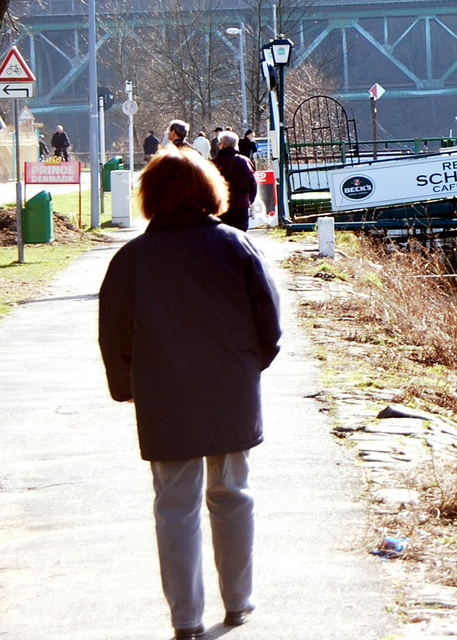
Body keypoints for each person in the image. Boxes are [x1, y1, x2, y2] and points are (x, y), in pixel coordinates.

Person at [97, 146, 281, 639]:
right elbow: (270, 321)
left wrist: (127, 388)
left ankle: (186, 620)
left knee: (174, 505)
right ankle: (238, 602)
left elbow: (113, 332)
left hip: (163, 392)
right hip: (230, 388)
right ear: (209, 190)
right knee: (233, 493)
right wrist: (249, 367)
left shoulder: (131, 259)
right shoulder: (235, 246)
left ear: (151, 197)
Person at [211, 130, 258, 231]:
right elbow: (253, 185)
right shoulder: (245, 162)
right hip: (241, 206)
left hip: (220, 207)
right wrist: (248, 201)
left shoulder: (213, 164)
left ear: (222, 145)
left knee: (222, 240)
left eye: (218, 143)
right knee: (240, 239)